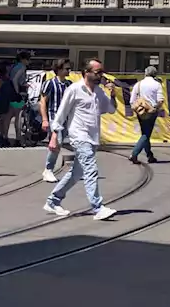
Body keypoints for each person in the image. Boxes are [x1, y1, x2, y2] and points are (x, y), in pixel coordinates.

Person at [43, 59, 117, 221]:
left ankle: (53, 200)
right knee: (91, 170)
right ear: (87, 72)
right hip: (79, 136)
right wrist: (55, 135)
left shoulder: (98, 92)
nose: (100, 76)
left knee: (76, 173)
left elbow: (110, 109)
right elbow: (61, 114)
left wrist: (112, 95)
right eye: (97, 72)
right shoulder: (74, 89)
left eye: (101, 72)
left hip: (93, 138)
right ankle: (97, 207)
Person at [38, 58, 72, 182]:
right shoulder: (50, 83)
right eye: (66, 68)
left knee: (60, 143)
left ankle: (50, 169)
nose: (69, 71)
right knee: (56, 142)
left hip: (66, 119)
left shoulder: (69, 84)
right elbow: (43, 102)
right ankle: (48, 169)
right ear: (59, 69)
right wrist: (45, 119)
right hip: (54, 117)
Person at [129, 66, 164, 165]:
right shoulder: (157, 85)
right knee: (146, 134)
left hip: (140, 111)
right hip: (152, 111)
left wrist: (138, 108)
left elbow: (132, 100)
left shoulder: (138, 84)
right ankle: (134, 154)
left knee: (145, 132)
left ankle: (150, 155)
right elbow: (160, 100)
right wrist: (155, 108)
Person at [0, 51, 29, 145]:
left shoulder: (14, 66)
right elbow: (15, 79)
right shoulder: (22, 67)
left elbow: (11, 78)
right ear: (23, 59)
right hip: (16, 93)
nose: (28, 62)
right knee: (18, 116)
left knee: (8, 115)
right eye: (27, 59)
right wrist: (17, 91)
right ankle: (18, 138)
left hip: (8, 92)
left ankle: (5, 136)